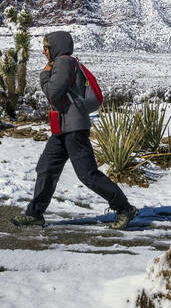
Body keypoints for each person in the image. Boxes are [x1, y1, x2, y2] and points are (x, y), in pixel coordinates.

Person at [12, 31, 138, 230]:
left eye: (46, 47)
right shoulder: (66, 62)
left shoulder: (63, 62)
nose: (44, 51)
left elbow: (53, 93)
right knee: (46, 168)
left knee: (87, 173)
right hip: (62, 128)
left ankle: (124, 207)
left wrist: (44, 74)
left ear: (56, 47)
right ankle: (35, 214)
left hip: (73, 128)